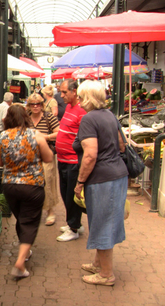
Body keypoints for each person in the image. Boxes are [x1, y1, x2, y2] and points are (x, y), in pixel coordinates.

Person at [73, 80, 128, 286]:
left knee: (103, 223)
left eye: (80, 96)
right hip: (117, 176)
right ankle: (98, 263)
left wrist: (80, 182)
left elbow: (90, 156)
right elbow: (122, 146)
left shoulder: (89, 119)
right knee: (103, 220)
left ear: (87, 98)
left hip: (102, 179)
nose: (77, 100)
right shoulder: (110, 116)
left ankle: (106, 275)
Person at [0, 105, 54, 278]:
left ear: (8, 119)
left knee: (21, 218)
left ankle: (25, 252)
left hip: (10, 186)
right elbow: (49, 158)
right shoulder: (36, 136)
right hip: (32, 185)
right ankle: (20, 262)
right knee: (30, 221)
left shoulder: (2, 137)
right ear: (26, 117)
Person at [55, 79, 87, 242]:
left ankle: (73, 228)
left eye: (64, 92)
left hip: (73, 161)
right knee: (64, 193)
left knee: (71, 196)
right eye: (61, 92)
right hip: (62, 159)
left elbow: (85, 137)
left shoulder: (82, 111)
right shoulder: (68, 107)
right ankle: (75, 223)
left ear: (74, 92)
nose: (62, 95)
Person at [26, 93, 60, 226]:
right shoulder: (27, 118)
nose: (35, 107)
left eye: (38, 104)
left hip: (46, 155)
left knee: (47, 182)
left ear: (42, 105)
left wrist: (43, 137)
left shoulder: (48, 117)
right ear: (29, 106)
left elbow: (59, 132)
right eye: (33, 104)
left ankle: (50, 211)